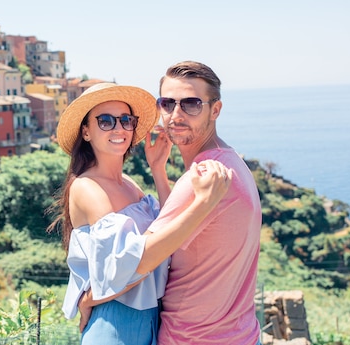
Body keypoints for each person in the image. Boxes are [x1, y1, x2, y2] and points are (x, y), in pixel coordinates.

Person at [49, 82, 232, 345]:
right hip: (116, 323)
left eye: (126, 120)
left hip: (150, 318)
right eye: (106, 121)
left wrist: (158, 170)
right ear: (86, 132)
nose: (119, 128)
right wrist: (203, 205)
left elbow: (165, 230)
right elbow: (134, 263)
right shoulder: (87, 188)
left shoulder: (129, 183)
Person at [148, 61, 262, 344]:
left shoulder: (202, 175)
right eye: (167, 103)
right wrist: (159, 173)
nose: (175, 115)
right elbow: (181, 234)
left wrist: (90, 296)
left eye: (191, 104)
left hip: (194, 338)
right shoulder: (230, 161)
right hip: (239, 335)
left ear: (215, 110)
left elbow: (142, 258)